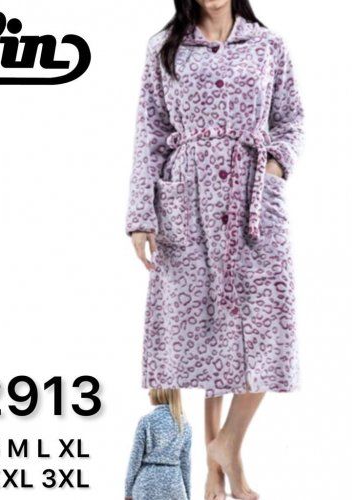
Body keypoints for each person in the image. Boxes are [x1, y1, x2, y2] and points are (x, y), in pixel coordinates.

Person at [126, 1, 304, 498]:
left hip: (253, 200)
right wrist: (141, 216)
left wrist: (275, 167)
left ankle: (227, 444)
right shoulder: (165, 49)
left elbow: (291, 118)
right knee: (208, 332)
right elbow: (149, 133)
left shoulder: (268, 46)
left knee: (268, 326)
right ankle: (215, 468)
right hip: (188, 199)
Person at [125, 389, 192, 500]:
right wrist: (187, 495)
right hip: (174, 486)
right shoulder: (185, 425)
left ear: (160, 392)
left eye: (151, 389)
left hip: (146, 486)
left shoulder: (146, 421)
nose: (149, 393)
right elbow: (186, 464)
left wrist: (128, 491)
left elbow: (135, 459)